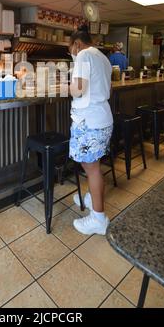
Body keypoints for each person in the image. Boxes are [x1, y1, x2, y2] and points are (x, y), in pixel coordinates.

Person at [69, 24, 113, 235]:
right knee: (92, 166)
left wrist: (65, 87)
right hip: (103, 118)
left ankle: (98, 218)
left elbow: (78, 90)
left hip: (89, 121)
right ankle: (91, 197)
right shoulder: (102, 57)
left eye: (71, 49)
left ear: (76, 44)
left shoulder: (83, 55)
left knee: (91, 167)